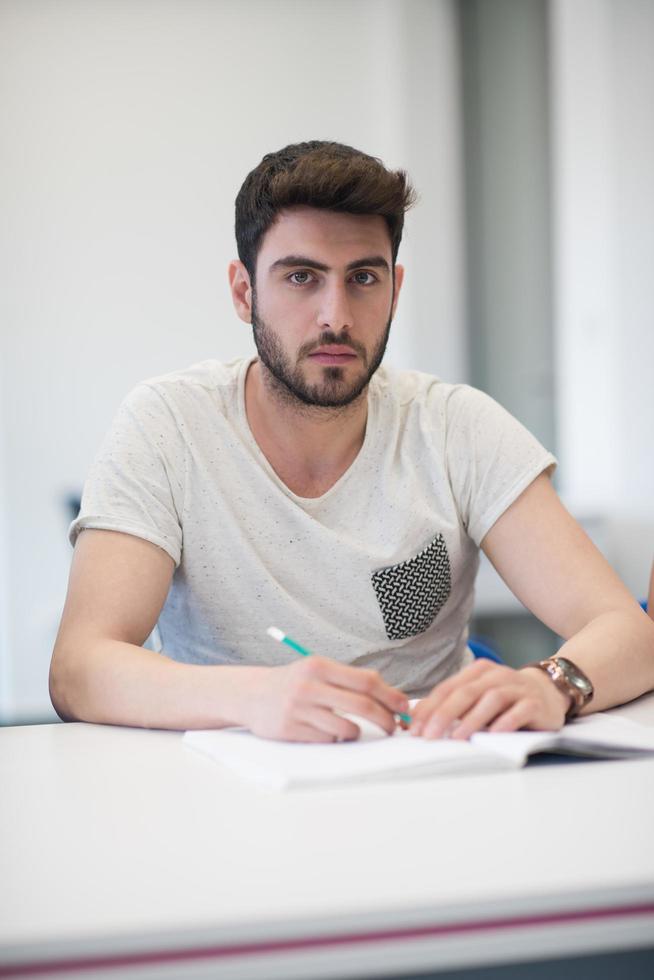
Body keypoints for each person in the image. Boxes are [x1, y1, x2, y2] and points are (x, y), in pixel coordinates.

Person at [49, 141, 654, 742]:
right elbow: (79, 667)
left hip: (431, 769)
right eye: (301, 277)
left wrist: (553, 682)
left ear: (395, 289)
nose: (334, 315)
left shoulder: (455, 426)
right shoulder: (167, 425)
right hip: (231, 776)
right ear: (243, 291)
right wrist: (254, 695)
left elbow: (626, 630)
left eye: (363, 277)